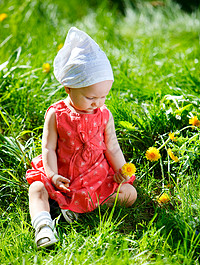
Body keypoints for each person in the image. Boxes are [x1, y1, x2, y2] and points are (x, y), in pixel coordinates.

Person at [26, 27, 137, 248]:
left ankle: (77, 208)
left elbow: (112, 146)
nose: (98, 102)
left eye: (104, 96)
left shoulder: (104, 114)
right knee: (36, 189)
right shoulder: (56, 114)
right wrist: (53, 175)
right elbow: (48, 147)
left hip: (95, 177)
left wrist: (121, 170)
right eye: (90, 97)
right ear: (68, 88)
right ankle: (44, 226)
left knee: (130, 194)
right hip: (64, 177)